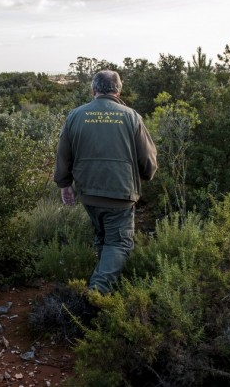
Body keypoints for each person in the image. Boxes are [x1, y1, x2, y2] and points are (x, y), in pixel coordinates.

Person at [54, 70, 158, 294]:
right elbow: (148, 159)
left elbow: (63, 154)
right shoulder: (131, 116)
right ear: (118, 90)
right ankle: (97, 294)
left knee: (103, 237)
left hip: (88, 193)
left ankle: (105, 289)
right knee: (119, 243)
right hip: (120, 193)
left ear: (94, 90)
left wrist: (65, 184)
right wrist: (146, 175)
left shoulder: (75, 115)